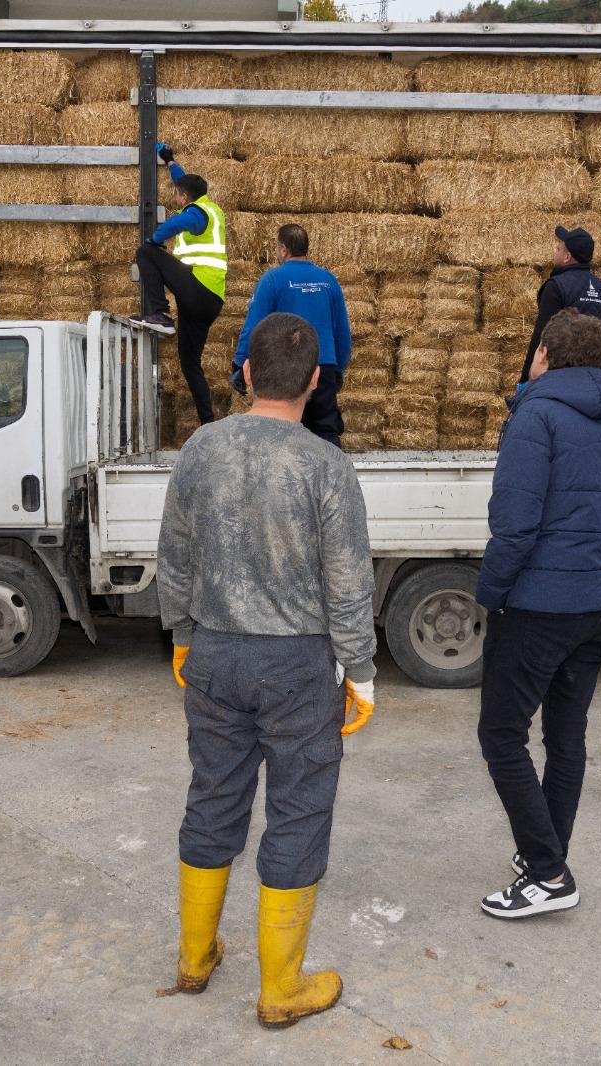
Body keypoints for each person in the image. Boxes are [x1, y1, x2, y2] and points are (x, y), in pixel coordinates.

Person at [157, 311, 376, 1029]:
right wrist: (361, 669)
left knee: (213, 794)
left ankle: (194, 957)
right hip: (296, 664)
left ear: (245, 371)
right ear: (315, 381)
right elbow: (348, 581)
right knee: (298, 807)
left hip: (216, 653)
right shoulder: (326, 466)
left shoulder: (201, 448)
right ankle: (280, 988)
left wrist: (183, 635)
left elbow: (176, 556)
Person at [476, 308, 601, 920]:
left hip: (538, 609)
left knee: (500, 734)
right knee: (564, 737)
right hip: (596, 610)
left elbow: (514, 525)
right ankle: (546, 855)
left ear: (543, 355)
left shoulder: (536, 418)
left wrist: (489, 592)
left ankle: (548, 872)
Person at [130, 141, 227, 427]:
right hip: (207, 302)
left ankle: (161, 313)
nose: (175, 197)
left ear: (183, 197)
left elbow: (176, 224)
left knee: (146, 252)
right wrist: (170, 162)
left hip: (198, 288)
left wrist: (155, 240)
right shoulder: (211, 208)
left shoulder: (196, 214)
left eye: (177, 194)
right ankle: (207, 423)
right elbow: (183, 183)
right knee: (189, 363)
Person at [230, 223, 354, 447]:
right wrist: (337, 367)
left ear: (283, 249)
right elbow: (342, 330)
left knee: (281, 431)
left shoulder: (273, 279)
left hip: (284, 367)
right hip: (321, 366)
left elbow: (254, 325)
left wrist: (240, 363)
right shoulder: (328, 280)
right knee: (325, 431)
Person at [517, 225, 601, 384]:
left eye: (558, 249)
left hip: (558, 380)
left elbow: (542, 337)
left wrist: (525, 382)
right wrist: (598, 374)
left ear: (567, 257)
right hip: (591, 380)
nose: (555, 251)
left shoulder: (556, 287)